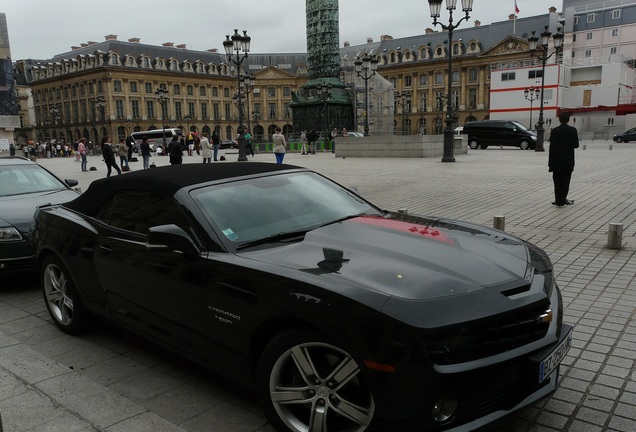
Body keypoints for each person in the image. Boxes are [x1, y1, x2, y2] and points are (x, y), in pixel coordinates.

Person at [548, 111, 579, 207]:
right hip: (568, 160)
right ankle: (562, 200)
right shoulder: (573, 130)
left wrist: (550, 163)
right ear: (569, 119)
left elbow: (551, 148)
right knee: (565, 181)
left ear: (559, 119)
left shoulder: (554, 131)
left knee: (557, 181)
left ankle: (558, 200)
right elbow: (576, 145)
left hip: (556, 161)